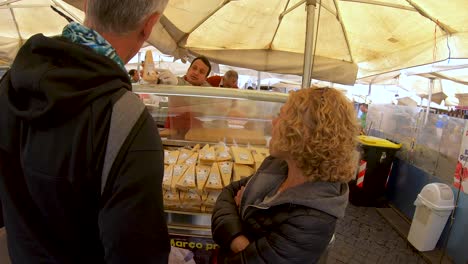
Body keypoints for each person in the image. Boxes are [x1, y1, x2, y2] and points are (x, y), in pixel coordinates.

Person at [0, 0, 170, 263]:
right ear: (149, 25)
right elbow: (137, 252)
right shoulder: (126, 121)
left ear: (88, 5)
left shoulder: (10, 84)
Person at [212, 87, 359, 263]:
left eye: (281, 116)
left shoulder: (313, 218)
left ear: (302, 133)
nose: (273, 122)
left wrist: (238, 220)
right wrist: (239, 237)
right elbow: (228, 192)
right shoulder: (279, 166)